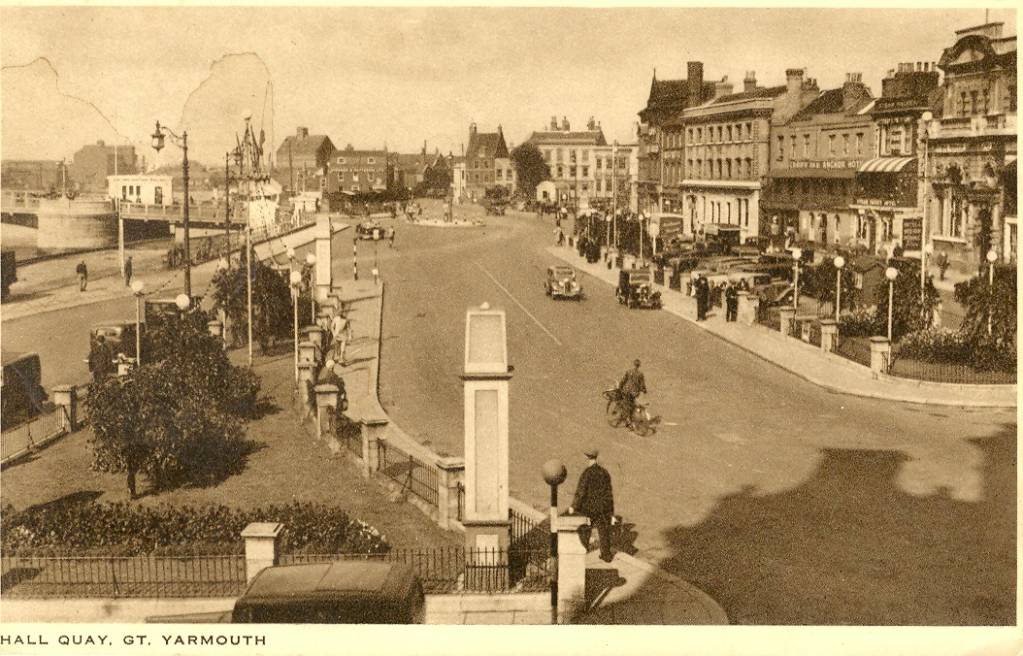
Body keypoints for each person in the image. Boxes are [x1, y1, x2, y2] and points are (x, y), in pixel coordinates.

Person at [569, 448, 617, 563]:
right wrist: (611, 512)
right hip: (602, 508)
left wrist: (573, 506)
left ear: (587, 457)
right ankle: (606, 555)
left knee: (585, 530)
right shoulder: (604, 472)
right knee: (603, 532)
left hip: (589, 508)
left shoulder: (587, 473)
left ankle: (583, 550)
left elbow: (581, 492)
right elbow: (609, 493)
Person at [617, 359, 646, 428]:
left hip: (626, 390)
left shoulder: (629, 371)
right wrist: (644, 390)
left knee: (627, 405)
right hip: (634, 393)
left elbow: (623, 380)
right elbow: (642, 384)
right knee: (631, 405)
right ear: (639, 365)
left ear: (634, 364)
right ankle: (629, 420)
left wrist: (620, 387)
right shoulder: (640, 374)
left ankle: (627, 420)